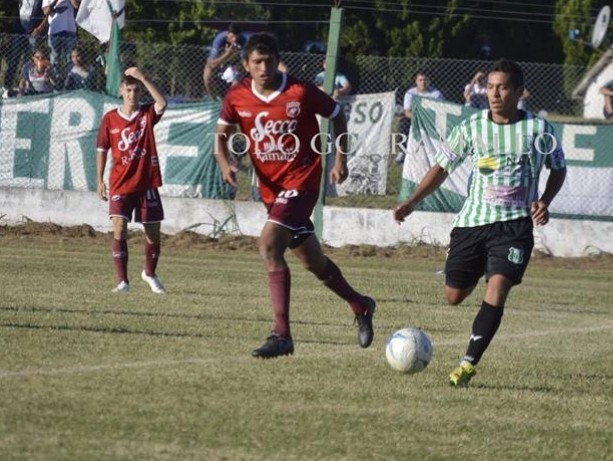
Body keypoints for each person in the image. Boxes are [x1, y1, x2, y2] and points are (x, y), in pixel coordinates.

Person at [392, 59, 568, 387]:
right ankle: (470, 267)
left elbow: (558, 167)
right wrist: (412, 201)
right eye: (490, 87)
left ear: (519, 92)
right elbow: (442, 167)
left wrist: (545, 200)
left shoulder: (538, 129)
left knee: (498, 286)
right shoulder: (471, 127)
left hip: (514, 226)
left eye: (502, 87)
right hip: (472, 224)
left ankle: (467, 364)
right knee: (454, 296)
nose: (494, 94)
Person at [213, 33, 376, 358]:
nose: (263, 67)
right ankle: (360, 304)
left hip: (302, 181)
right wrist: (224, 162)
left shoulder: (299, 91)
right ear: (246, 64)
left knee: (269, 245)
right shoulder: (238, 95)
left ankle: (282, 334)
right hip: (271, 191)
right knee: (314, 263)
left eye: (269, 60)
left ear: (277, 60)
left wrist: (340, 158)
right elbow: (222, 134)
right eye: (256, 62)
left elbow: (336, 114)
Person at [95, 67, 169, 294]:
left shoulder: (147, 114)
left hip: (146, 181)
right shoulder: (110, 118)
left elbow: (163, 104)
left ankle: (149, 273)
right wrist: (99, 180)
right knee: (119, 226)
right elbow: (101, 149)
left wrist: (144, 77)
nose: (132, 94)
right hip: (120, 181)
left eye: (136, 90)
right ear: (121, 91)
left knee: (153, 232)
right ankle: (123, 281)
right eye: (128, 89)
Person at [4, 0, 46, 95]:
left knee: (30, 61)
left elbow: (46, 13)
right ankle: (7, 87)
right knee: (14, 58)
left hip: (33, 31)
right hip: (19, 30)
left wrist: (40, 28)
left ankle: (27, 86)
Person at [203, 24, 249, 100]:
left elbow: (245, 64)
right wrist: (227, 54)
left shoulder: (243, 41)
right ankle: (214, 99)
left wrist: (238, 68)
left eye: (236, 38)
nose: (234, 40)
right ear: (228, 34)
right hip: (220, 60)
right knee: (207, 74)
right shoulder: (220, 40)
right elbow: (211, 63)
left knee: (237, 79)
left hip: (236, 64)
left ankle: (231, 99)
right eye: (232, 37)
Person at [42, 0, 78, 81]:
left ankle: (70, 81)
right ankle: (56, 83)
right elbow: (46, 12)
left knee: (71, 58)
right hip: (54, 31)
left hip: (70, 29)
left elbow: (76, 5)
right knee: (55, 59)